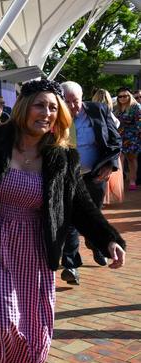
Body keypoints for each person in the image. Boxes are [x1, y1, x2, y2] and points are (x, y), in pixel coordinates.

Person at [0, 79, 126, 363]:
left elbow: (80, 205)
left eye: (53, 108)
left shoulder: (63, 156)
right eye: (39, 105)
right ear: (23, 109)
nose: (46, 113)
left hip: (35, 248)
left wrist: (109, 239)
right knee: (4, 320)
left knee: (32, 325)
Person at [59, 81, 122, 283]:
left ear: (82, 97)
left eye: (75, 101)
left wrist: (110, 164)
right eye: (66, 102)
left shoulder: (98, 110)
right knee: (70, 220)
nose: (72, 107)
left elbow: (115, 140)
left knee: (92, 214)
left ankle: (95, 244)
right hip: (69, 177)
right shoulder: (56, 115)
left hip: (95, 175)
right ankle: (70, 265)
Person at [92, 89, 124, 205]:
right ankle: (102, 198)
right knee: (107, 174)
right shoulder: (109, 113)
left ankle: (100, 199)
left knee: (100, 173)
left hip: (99, 147)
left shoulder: (92, 112)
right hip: (110, 148)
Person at [113, 87, 141, 190]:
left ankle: (132, 180)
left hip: (133, 138)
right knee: (119, 159)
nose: (123, 98)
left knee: (131, 159)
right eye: (120, 96)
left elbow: (139, 123)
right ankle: (119, 182)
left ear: (130, 96)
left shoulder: (136, 107)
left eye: (125, 96)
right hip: (119, 137)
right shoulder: (116, 107)